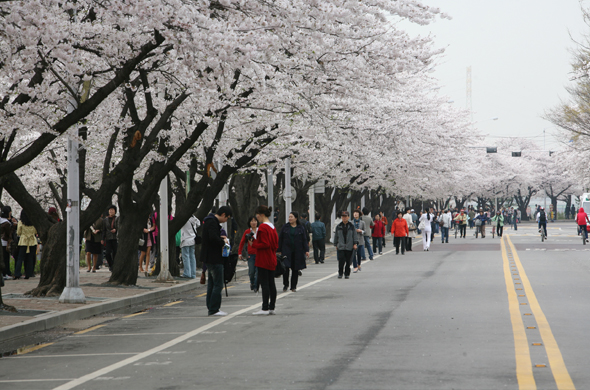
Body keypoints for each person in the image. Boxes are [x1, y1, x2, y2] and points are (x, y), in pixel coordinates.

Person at [201, 205, 232, 316]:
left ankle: (211, 306)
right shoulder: (212, 222)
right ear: (223, 215)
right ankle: (214, 309)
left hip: (209, 257)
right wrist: (223, 242)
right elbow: (213, 238)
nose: (225, 221)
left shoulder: (208, 221)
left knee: (212, 283)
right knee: (218, 284)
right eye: (227, 218)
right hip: (214, 257)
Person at [251, 205, 278, 315]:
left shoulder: (262, 227)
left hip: (263, 258)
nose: (257, 218)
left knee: (265, 283)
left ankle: (264, 308)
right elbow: (275, 244)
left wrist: (253, 242)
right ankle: (271, 307)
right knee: (271, 283)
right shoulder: (272, 227)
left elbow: (264, 243)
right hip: (271, 257)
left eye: (257, 215)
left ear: (261, 215)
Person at [278, 211, 309, 292]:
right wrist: (279, 250)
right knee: (286, 268)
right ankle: (285, 284)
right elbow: (280, 238)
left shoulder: (301, 227)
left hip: (297, 251)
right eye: (289, 217)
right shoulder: (285, 227)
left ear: (296, 218)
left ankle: (293, 286)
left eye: (291, 217)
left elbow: (304, 239)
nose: (290, 218)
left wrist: (306, 250)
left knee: (295, 269)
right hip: (286, 251)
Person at [333, 211, 358, 279]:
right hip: (341, 246)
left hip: (349, 246)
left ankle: (347, 273)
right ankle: (340, 273)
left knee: (348, 261)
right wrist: (336, 244)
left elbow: (354, 236)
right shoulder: (338, 226)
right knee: (341, 261)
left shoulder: (351, 226)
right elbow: (336, 236)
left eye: (345, 216)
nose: (344, 218)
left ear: (348, 217)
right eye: (343, 216)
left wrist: (355, 243)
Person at [14, 210, 37, 279]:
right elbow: (35, 231)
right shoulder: (33, 222)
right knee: (30, 258)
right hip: (32, 241)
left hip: (23, 241)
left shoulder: (21, 222)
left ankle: (17, 273)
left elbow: (18, 232)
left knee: (20, 258)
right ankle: (28, 274)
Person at [239, 216, 259, 291]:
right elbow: (242, 242)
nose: (254, 222)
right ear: (249, 223)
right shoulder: (247, 232)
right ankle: (252, 283)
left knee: (258, 272)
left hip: (259, 254)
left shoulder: (260, 231)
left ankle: (256, 286)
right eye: (252, 221)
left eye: (255, 221)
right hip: (251, 254)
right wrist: (240, 253)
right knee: (252, 271)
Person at [180, 214, 200, 279]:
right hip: (193, 239)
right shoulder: (194, 218)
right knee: (192, 256)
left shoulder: (184, 218)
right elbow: (199, 223)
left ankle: (187, 273)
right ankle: (193, 274)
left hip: (185, 239)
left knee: (186, 257)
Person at [101, 205, 119, 272]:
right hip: (108, 238)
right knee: (107, 253)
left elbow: (119, 227)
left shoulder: (117, 219)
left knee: (115, 252)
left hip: (115, 238)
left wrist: (116, 230)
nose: (111, 211)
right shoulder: (105, 220)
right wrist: (102, 239)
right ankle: (111, 265)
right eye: (110, 210)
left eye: (112, 210)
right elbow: (104, 230)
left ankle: (114, 266)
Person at [1, 206, 16, 280]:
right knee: (6, 259)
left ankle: (3, 273)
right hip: (4, 242)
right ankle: (5, 273)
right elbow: (8, 233)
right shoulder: (6, 223)